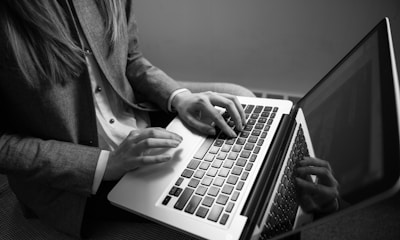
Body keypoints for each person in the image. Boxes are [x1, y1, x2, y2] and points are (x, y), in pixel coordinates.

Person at [0, 0, 338, 238]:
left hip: (143, 126)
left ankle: (302, 207)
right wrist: (104, 164)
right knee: (237, 219)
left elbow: (131, 59)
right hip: (77, 179)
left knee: (254, 161)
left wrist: (179, 98)